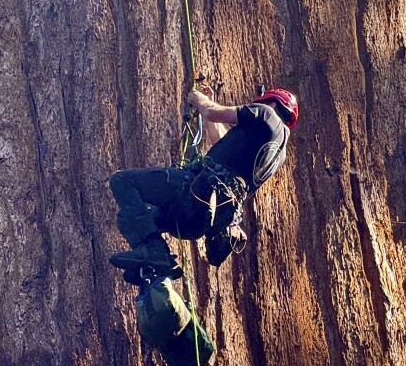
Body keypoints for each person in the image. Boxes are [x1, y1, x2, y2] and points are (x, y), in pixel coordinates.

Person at [108, 85, 297, 284]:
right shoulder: (279, 152)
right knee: (134, 217)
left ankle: (155, 252)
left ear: (273, 103)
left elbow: (213, 112)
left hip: (193, 192)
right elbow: (222, 144)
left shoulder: (266, 113)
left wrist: (199, 99)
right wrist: (208, 104)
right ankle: (155, 265)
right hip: (203, 220)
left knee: (123, 181)